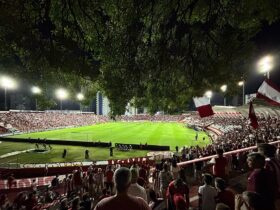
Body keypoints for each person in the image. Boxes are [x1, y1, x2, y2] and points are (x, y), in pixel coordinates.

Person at [258, 143, 280, 210]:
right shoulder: (276, 160)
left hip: (276, 191)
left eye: (259, 150)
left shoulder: (267, 163)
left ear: (263, 152)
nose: (258, 152)